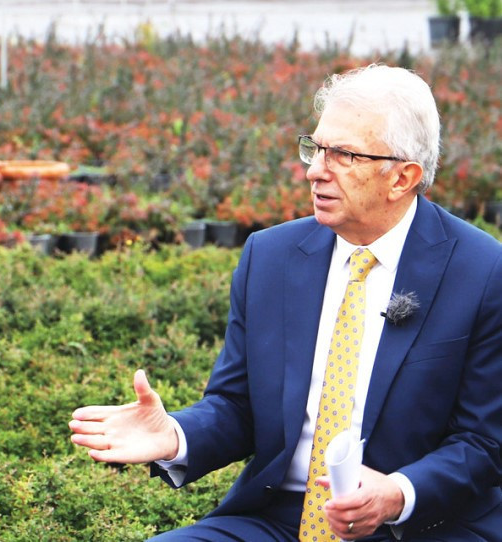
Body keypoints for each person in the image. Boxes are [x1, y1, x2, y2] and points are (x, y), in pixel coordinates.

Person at [69, 64, 502, 541]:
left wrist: (398, 493)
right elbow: (237, 405)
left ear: (402, 178)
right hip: (279, 520)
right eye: (316, 148)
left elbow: (484, 442)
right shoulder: (271, 256)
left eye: (343, 155)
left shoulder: (482, 272)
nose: (315, 171)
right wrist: (174, 435)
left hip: (420, 526)